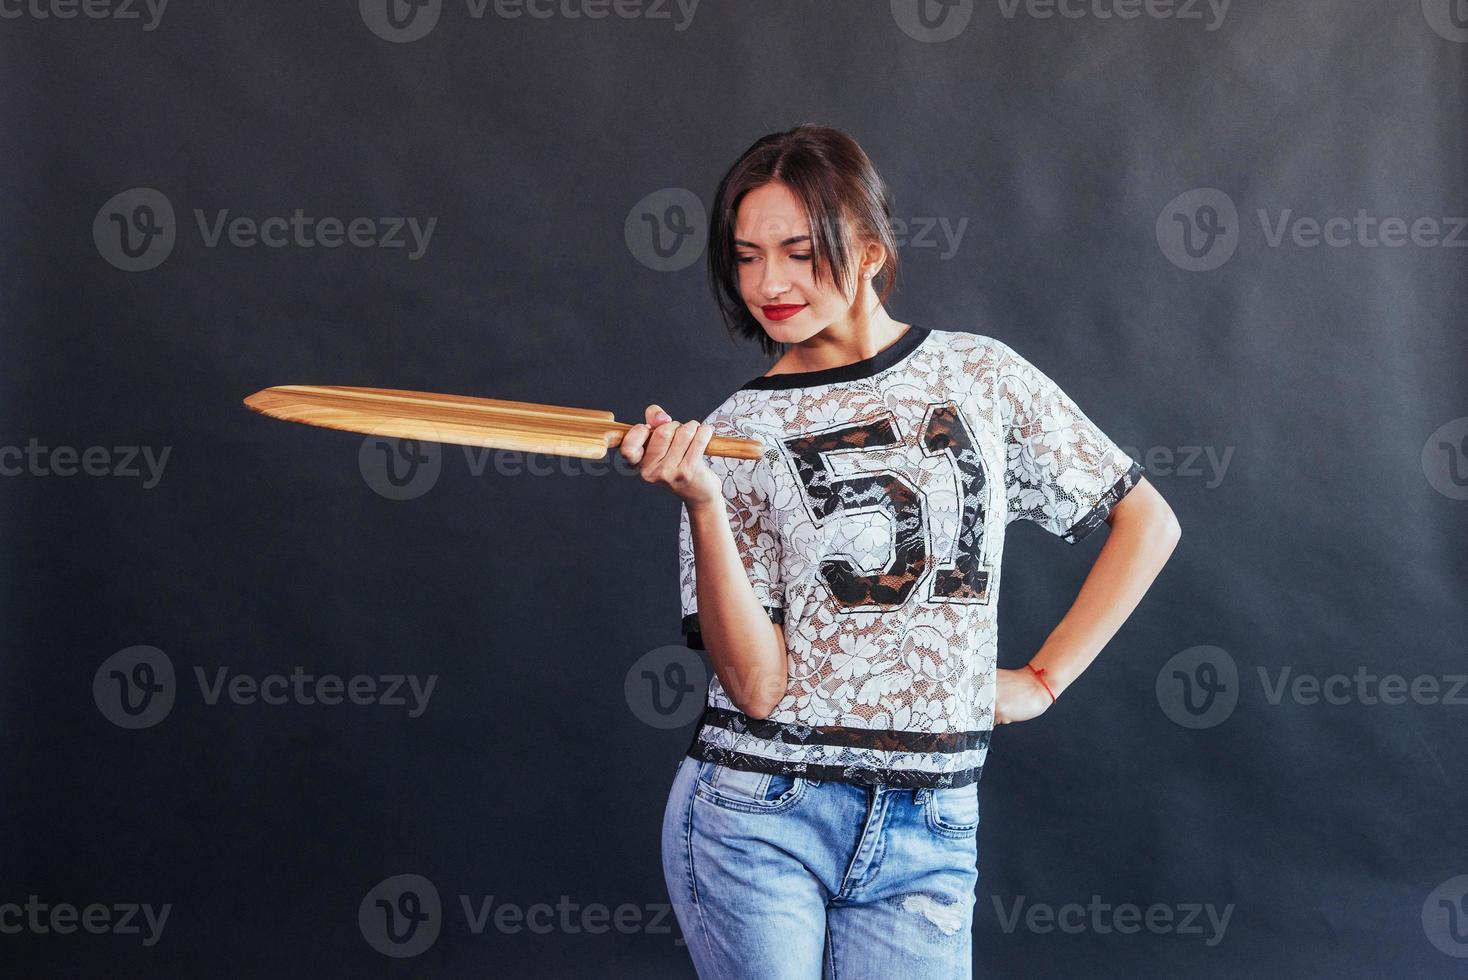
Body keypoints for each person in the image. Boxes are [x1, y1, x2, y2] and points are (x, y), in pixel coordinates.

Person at [618, 124, 1181, 980]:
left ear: (872, 249)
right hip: (761, 809)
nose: (770, 283)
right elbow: (759, 687)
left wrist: (1043, 679)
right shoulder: (736, 433)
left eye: (801, 252)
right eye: (746, 256)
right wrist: (702, 502)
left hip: (934, 821)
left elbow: (1148, 521)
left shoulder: (980, 376)